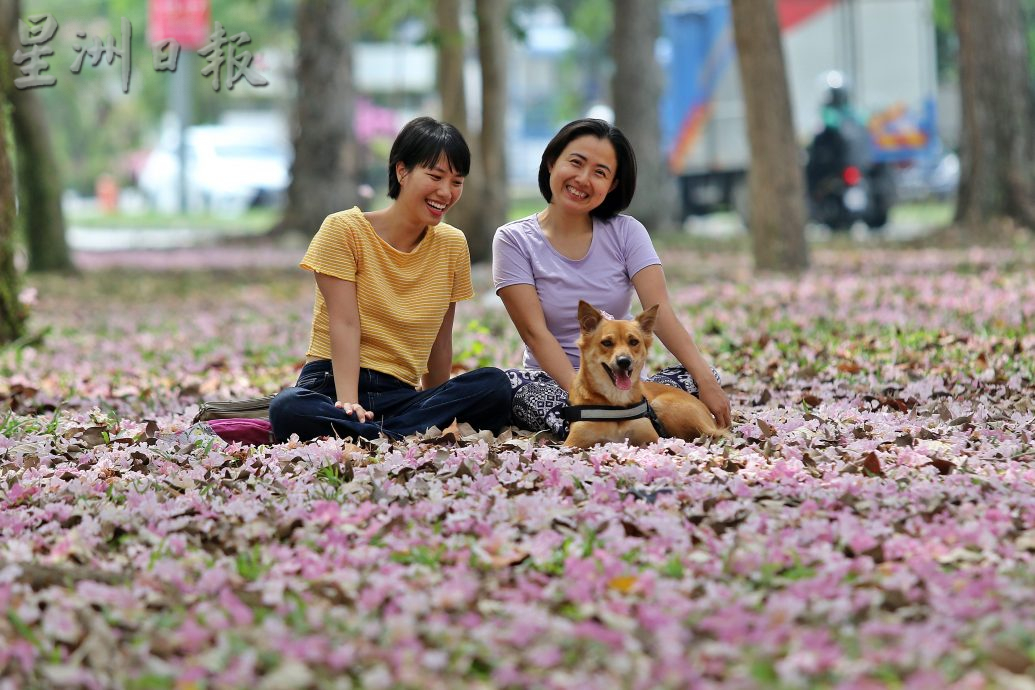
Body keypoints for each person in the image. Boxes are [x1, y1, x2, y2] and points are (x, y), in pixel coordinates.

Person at [269, 116, 513, 443]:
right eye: (436, 176)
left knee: (494, 384)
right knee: (287, 407)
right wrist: (349, 402)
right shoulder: (343, 230)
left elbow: (440, 341)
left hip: (399, 396)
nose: (446, 191)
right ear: (402, 171)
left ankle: (374, 435)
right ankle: (384, 432)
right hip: (331, 386)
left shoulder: (453, 244)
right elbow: (344, 323)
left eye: (457, 181)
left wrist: (439, 404)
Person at [492, 118, 731, 437]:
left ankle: (628, 421)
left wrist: (706, 381)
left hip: (624, 380)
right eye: (575, 163)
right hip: (556, 384)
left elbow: (662, 315)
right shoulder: (513, 240)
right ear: (552, 162)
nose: (582, 179)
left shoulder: (628, 232)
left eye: (599, 172)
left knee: (700, 376)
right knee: (518, 394)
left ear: (613, 185)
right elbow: (536, 334)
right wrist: (582, 394)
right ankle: (636, 423)